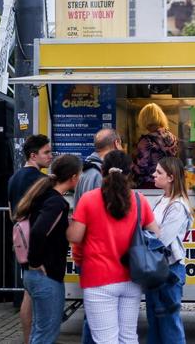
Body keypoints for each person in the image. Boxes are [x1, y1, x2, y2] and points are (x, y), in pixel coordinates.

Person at [67, 150, 160, 344]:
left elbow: (75, 236)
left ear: (102, 171)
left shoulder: (89, 200)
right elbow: (156, 234)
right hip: (131, 277)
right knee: (128, 338)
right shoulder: (138, 200)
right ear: (129, 172)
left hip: (98, 279)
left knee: (105, 340)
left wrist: (69, 224)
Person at [14, 154, 82, 344]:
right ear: (73, 177)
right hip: (46, 276)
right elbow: (38, 232)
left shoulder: (43, 195)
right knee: (46, 334)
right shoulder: (56, 202)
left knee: (40, 331)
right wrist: (35, 261)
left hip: (35, 275)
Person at [73, 128, 122, 344]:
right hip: (96, 254)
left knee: (94, 313)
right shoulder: (97, 174)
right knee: (95, 315)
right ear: (116, 144)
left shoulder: (86, 171)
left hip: (90, 252)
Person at [7, 134, 53, 344]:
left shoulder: (14, 178)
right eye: (47, 152)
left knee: (28, 294)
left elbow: (11, 213)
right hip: (38, 247)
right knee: (43, 304)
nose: (51, 156)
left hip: (20, 244)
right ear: (33, 155)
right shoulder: (41, 181)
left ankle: (28, 340)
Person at [146, 157, 194, 344]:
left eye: (159, 172)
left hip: (170, 271)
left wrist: (147, 234)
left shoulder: (178, 205)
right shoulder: (161, 200)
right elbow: (150, 231)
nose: (154, 175)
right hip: (155, 269)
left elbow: (161, 240)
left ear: (171, 177)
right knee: (155, 324)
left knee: (169, 325)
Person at [131, 103, 178, 188]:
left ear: (144, 119)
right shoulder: (172, 137)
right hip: (169, 183)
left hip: (151, 184)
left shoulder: (145, 141)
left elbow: (141, 167)